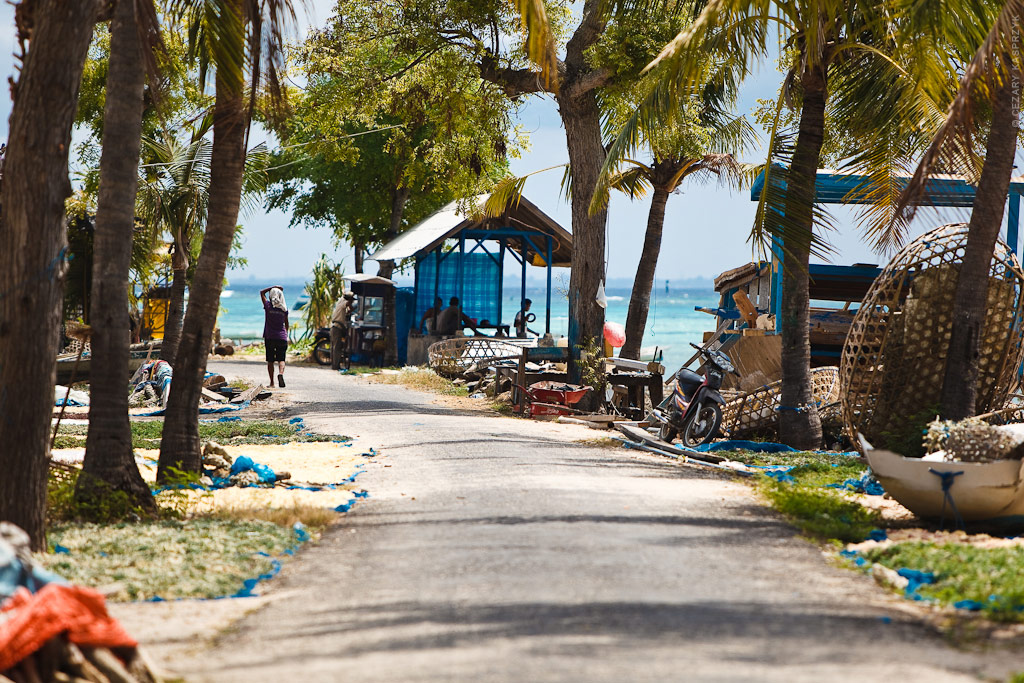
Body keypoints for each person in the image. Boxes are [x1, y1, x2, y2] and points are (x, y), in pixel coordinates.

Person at [260, 286, 289, 387]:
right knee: (282, 359)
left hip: (270, 337)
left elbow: (261, 292)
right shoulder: (284, 309)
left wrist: (273, 287)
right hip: (282, 337)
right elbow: (286, 324)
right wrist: (286, 334)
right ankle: (280, 374)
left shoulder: (268, 306)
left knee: (270, 361)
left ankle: (272, 383)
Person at [330, 291, 355, 370]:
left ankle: (335, 364)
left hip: (338, 327)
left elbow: (350, 309)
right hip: (337, 327)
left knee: (336, 347)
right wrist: (351, 302)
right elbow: (348, 305)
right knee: (337, 347)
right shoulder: (343, 302)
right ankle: (335, 365)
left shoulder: (341, 302)